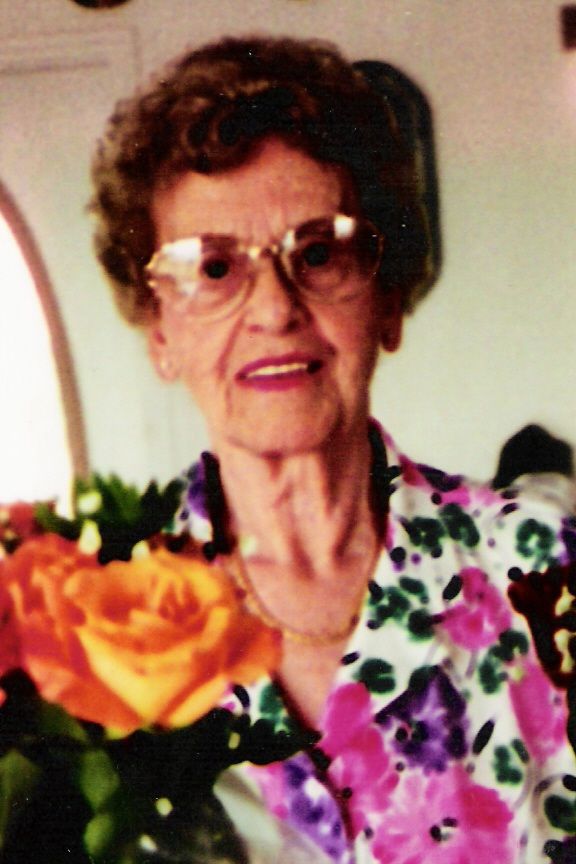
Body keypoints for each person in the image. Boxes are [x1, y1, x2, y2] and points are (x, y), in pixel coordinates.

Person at [90, 36, 576, 864]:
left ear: (388, 301)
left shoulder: (545, 567)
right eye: (214, 268)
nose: (274, 309)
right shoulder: (84, 624)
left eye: (318, 253)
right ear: (158, 330)